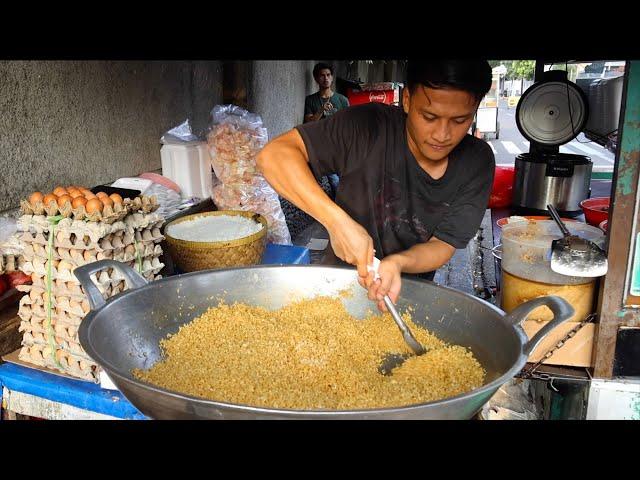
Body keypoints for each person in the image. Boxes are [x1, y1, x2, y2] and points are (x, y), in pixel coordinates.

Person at [257, 60, 495, 312]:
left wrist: (397, 263)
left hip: (410, 296)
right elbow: (272, 156)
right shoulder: (367, 127)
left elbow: (443, 244)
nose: (442, 134)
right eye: (429, 116)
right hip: (339, 290)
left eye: (459, 120)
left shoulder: (475, 161)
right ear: (407, 100)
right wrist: (337, 223)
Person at [304, 63, 349, 200]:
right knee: (333, 181)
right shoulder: (311, 100)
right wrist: (321, 110)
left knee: (343, 181)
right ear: (316, 79)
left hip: (339, 146)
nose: (326, 78)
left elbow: (348, 125)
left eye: (328, 75)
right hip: (320, 147)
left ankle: (344, 209)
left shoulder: (342, 100)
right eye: (322, 75)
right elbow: (308, 123)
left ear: (332, 77)